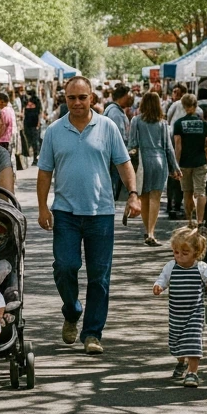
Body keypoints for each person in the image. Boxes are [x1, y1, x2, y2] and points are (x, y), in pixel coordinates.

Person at [37, 76, 142, 355]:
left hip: (101, 213)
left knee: (99, 277)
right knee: (65, 266)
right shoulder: (54, 131)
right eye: (71, 98)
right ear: (65, 99)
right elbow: (45, 172)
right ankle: (72, 311)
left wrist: (133, 194)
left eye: (82, 97)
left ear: (92, 98)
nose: (77, 103)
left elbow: (124, 163)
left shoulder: (107, 127)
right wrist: (42, 207)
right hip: (66, 213)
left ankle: (92, 333)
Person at [154, 226, 207, 388]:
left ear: (196, 253)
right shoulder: (171, 266)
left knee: (193, 341)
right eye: (176, 252)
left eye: (185, 253)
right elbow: (163, 278)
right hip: (176, 314)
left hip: (195, 313)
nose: (179, 256)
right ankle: (181, 361)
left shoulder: (201, 268)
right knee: (176, 342)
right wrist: (159, 286)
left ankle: (193, 372)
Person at [128, 92, 181, 247]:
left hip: (144, 162)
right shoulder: (163, 123)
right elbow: (168, 147)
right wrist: (175, 168)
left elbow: (132, 144)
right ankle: (152, 231)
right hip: (160, 161)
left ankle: (147, 231)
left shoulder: (136, 121)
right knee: (155, 198)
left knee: (144, 198)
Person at [173, 93, 207, 232]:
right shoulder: (204, 124)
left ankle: (190, 220)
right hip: (200, 161)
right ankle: (200, 221)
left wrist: (176, 164)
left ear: (184, 106)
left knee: (187, 192)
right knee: (201, 192)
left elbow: (178, 146)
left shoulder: (179, 124)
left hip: (184, 163)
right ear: (196, 106)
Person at [0, 91, 17, 165]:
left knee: (2, 160)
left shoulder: (4, 111)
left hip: (3, 139)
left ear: (2, 101)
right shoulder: (10, 109)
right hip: (10, 138)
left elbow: (3, 125)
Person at [22, 86, 43, 163]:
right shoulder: (27, 101)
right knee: (30, 141)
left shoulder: (36, 100)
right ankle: (32, 157)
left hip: (34, 124)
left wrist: (38, 124)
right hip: (28, 124)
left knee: (35, 142)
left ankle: (36, 157)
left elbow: (39, 113)